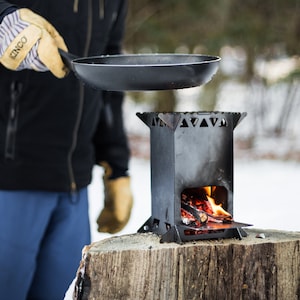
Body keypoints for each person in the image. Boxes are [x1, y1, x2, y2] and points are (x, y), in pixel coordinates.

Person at [0, 0, 133, 299]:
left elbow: (109, 79)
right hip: (10, 182)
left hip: (74, 188)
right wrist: (3, 19)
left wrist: (117, 167)